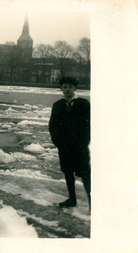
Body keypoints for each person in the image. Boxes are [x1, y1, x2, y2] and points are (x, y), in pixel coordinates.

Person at [49, 76, 91, 209]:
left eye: (70, 87)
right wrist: (59, 143)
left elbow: (90, 123)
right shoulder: (58, 105)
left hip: (80, 146)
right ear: (61, 88)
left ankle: (93, 202)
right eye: (65, 87)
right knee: (68, 172)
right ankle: (72, 199)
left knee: (85, 174)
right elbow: (53, 126)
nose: (67, 90)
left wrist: (85, 141)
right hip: (65, 147)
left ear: (75, 88)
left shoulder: (83, 103)